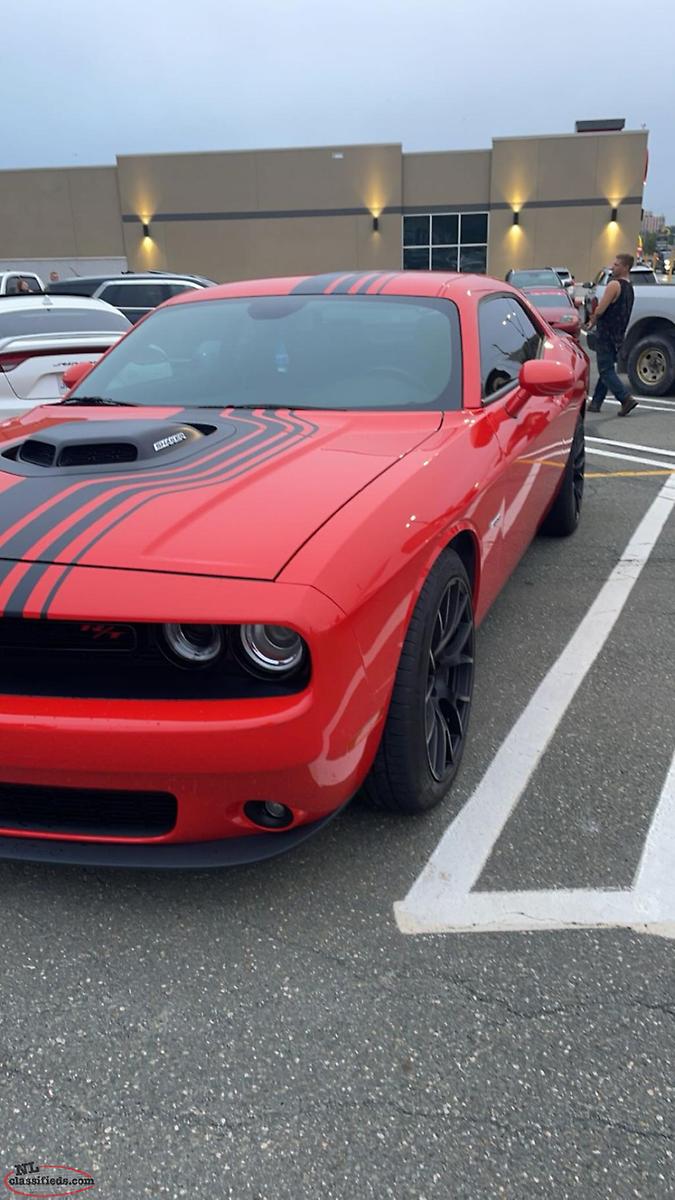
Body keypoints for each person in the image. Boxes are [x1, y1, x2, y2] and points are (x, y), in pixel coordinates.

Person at [586, 253, 637, 416]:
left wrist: (592, 321)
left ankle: (625, 398)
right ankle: (596, 403)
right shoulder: (630, 287)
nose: (612, 267)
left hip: (606, 333)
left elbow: (600, 309)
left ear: (625, 267)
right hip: (618, 335)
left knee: (605, 370)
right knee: (606, 368)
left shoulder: (614, 285)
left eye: (616, 265)